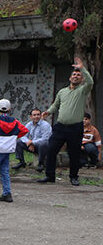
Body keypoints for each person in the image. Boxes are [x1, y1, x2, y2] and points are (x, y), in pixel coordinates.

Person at [39, 57, 94, 186]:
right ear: (70, 78)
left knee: (74, 154)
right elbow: (56, 105)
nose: (75, 76)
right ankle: (50, 176)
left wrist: (82, 68)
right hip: (60, 127)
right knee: (51, 149)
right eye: (74, 74)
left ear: (81, 79)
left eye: (78, 75)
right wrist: (48, 112)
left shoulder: (82, 91)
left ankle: (74, 177)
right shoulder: (62, 91)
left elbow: (90, 82)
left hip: (75, 128)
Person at [0, 99, 28, 203]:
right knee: (4, 172)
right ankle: (7, 194)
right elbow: (25, 130)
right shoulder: (15, 121)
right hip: (7, 150)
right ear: (10, 109)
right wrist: (14, 136)